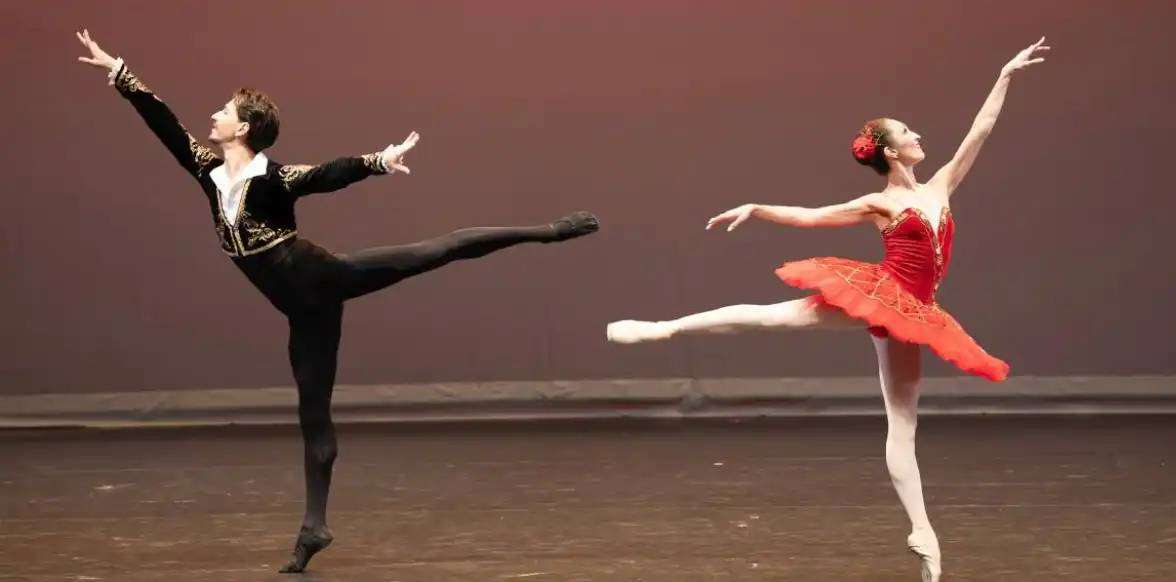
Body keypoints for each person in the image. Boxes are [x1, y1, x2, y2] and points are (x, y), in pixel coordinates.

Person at [76, 29, 599, 573]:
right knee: (313, 417)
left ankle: (549, 231)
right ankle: (314, 528)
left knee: (437, 250)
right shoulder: (209, 173)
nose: (214, 115)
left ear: (245, 128)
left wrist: (377, 161)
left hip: (326, 277)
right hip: (305, 313)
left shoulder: (274, 179)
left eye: (224, 110)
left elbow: (325, 174)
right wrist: (120, 73)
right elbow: (164, 124)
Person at [607, 37, 1050, 581]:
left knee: (903, 425)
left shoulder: (942, 186)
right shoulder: (879, 203)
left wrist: (1004, 74)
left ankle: (922, 532)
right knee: (772, 316)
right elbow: (812, 216)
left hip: (916, 312)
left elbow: (979, 132)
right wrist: (758, 207)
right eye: (907, 132)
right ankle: (663, 328)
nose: (919, 136)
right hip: (879, 294)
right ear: (890, 150)